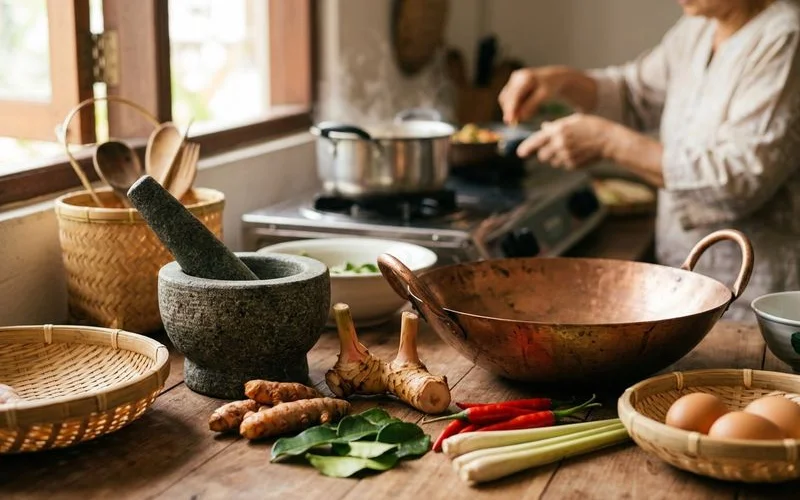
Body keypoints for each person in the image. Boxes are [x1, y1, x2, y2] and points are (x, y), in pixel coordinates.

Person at [499, 0, 800, 321]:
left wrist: (608, 142)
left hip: (753, 297)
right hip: (686, 280)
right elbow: (633, 93)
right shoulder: (697, 28)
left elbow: (738, 178)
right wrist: (562, 81)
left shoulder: (785, 38)